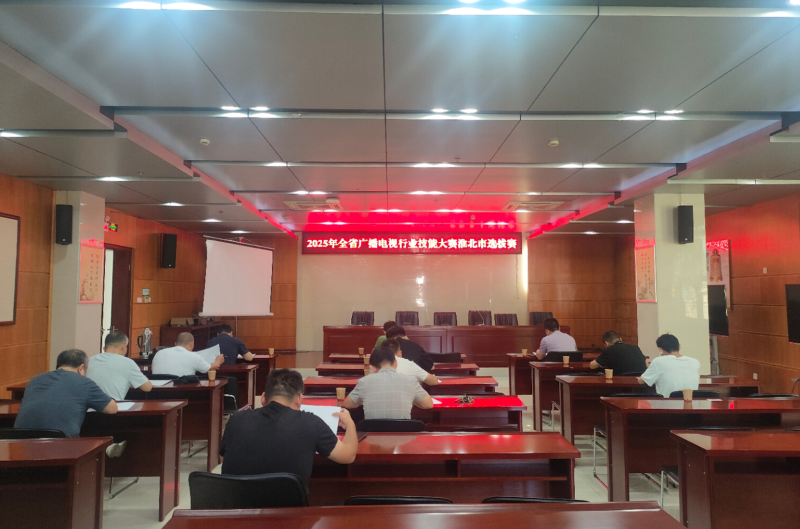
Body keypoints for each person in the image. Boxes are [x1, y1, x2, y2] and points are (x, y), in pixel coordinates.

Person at [220, 369, 358, 492]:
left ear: (263, 398)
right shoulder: (310, 422)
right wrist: (350, 424)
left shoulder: (236, 420)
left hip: (235, 508)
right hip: (289, 510)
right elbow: (348, 455)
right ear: (299, 399)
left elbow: (224, 455)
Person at [15, 349, 118, 438]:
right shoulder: (84, 383)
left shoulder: (35, 380)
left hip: (21, 442)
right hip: (61, 445)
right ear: (81, 368)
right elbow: (112, 409)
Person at [344, 348, 433, 419]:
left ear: (373, 368)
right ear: (395, 363)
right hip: (403, 434)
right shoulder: (410, 381)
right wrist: (410, 398)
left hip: (373, 434)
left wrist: (365, 399)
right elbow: (428, 404)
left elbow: (348, 404)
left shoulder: (364, 382)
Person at [87, 331, 152, 401]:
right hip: (112, 405)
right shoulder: (128, 363)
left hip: (86, 405)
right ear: (123, 347)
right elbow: (147, 388)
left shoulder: (90, 360)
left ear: (104, 348)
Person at [151, 332, 224, 377]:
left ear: (175, 344)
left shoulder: (158, 353)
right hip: (181, 393)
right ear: (192, 344)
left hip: (157, 393)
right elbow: (209, 368)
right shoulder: (193, 356)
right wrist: (218, 362)